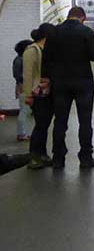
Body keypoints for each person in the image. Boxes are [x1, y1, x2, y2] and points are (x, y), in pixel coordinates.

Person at [43, 7, 94, 169]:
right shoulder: (86, 31)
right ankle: (85, 157)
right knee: (85, 121)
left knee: (60, 121)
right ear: (82, 17)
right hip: (83, 82)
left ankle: (58, 158)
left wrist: (46, 79)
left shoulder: (54, 32)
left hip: (60, 82)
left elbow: (46, 58)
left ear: (68, 16)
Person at [25, 24, 56, 169]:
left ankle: (43, 154)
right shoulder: (32, 50)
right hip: (37, 94)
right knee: (40, 126)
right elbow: (28, 75)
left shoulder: (45, 50)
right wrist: (28, 95)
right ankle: (34, 157)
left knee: (44, 126)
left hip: (46, 94)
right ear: (47, 35)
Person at [12, 39, 33, 141]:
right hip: (24, 87)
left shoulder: (18, 59)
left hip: (22, 86)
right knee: (24, 111)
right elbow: (20, 76)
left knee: (24, 110)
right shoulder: (22, 60)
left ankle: (22, 133)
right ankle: (21, 134)